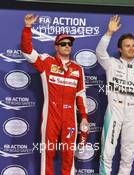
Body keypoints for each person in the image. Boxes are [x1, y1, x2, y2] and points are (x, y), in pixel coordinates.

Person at [21, 14, 89, 175]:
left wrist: (84, 117)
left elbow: (81, 95)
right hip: (51, 115)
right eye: (63, 43)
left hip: (70, 117)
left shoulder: (78, 69)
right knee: (48, 155)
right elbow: (27, 51)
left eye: (69, 43)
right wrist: (27, 28)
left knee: (68, 156)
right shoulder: (46, 62)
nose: (67, 46)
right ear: (56, 46)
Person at [96, 15, 134, 175]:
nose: (131, 48)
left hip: (132, 114)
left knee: (128, 155)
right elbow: (99, 52)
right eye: (127, 46)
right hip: (114, 111)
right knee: (107, 153)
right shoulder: (111, 64)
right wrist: (109, 33)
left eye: (133, 45)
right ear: (120, 48)